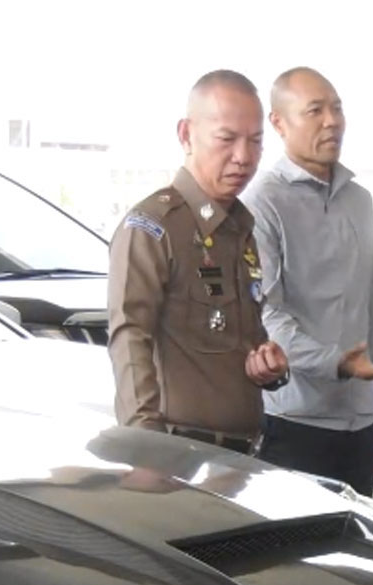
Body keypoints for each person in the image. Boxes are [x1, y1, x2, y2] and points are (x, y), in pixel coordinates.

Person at [243, 67, 373, 496]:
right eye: (314, 110)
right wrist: (336, 362)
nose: (332, 121)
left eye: (336, 108)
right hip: (295, 422)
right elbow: (267, 316)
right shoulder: (263, 203)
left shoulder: (360, 200)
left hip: (360, 423)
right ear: (278, 123)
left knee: (353, 554)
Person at [108, 70, 289, 454]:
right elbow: (129, 337)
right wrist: (145, 450)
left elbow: (237, 339)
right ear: (186, 135)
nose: (243, 157)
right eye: (226, 139)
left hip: (241, 456)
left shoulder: (238, 227)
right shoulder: (153, 227)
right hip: (178, 454)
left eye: (256, 142)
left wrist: (267, 365)